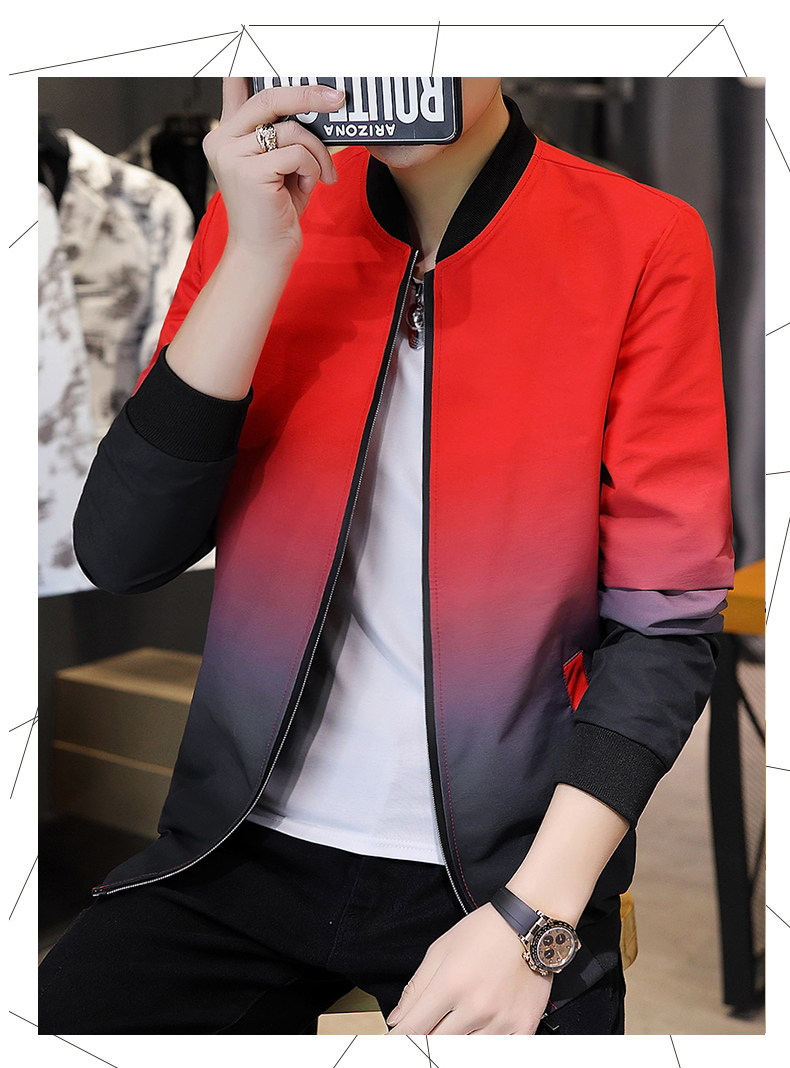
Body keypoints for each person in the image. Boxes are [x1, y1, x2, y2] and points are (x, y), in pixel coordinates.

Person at [39, 77, 734, 1036]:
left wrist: (536, 918)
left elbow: (666, 626)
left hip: (506, 869)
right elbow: (122, 550)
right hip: (236, 844)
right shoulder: (264, 215)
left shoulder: (640, 238)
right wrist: (256, 254)